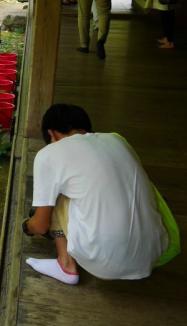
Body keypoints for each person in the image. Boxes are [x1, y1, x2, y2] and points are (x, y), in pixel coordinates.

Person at [22, 104, 168, 284]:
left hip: (106, 260)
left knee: (58, 194)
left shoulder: (49, 154)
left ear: (52, 134)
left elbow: (41, 226)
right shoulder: (118, 141)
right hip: (153, 252)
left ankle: (66, 265)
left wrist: (27, 226)